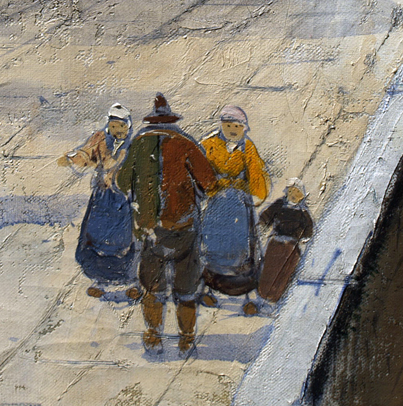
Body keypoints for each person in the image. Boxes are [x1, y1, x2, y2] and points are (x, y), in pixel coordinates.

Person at [117, 94, 217, 354]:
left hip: (150, 228)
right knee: (186, 285)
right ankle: (186, 338)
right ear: (171, 120)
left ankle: (153, 335)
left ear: (151, 121)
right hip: (184, 226)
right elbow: (209, 182)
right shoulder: (186, 143)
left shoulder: (138, 144)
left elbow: (122, 182)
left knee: (153, 285)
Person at [59, 103, 139, 299]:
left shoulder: (135, 145)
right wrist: (71, 159)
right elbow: (86, 154)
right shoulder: (100, 139)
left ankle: (131, 281)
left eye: (122, 126)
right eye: (114, 125)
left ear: (128, 126)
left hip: (125, 200)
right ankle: (100, 280)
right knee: (96, 238)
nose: (118, 130)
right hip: (103, 198)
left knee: (125, 240)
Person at [199, 105, 270, 315]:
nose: (232, 130)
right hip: (216, 206)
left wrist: (252, 192)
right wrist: (211, 186)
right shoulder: (209, 145)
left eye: (237, 126)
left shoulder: (248, 148)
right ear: (221, 125)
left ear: (244, 128)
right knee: (212, 244)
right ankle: (210, 288)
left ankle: (247, 295)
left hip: (239, 207)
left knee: (243, 248)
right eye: (228, 125)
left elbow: (257, 174)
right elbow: (199, 170)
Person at [257, 178, 314, 304]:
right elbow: (266, 216)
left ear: (302, 197)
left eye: (298, 193)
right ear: (287, 191)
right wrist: (261, 223)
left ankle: (275, 297)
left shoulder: (303, 213)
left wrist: (305, 238)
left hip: (291, 247)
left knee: (284, 272)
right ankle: (263, 293)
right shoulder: (279, 205)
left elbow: (309, 230)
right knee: (270, 268)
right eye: (292, 191)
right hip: (276, 243)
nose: (294, 195)